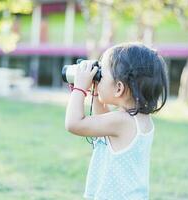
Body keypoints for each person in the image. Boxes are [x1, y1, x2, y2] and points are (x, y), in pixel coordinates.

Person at [65, 42, 169, 200]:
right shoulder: (136, 118)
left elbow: (74, 124)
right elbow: (103, 122)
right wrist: (95, 92)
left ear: (119, 88)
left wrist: (79, 89)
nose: (98, 78)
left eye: (102, 75)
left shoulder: (122, 121)